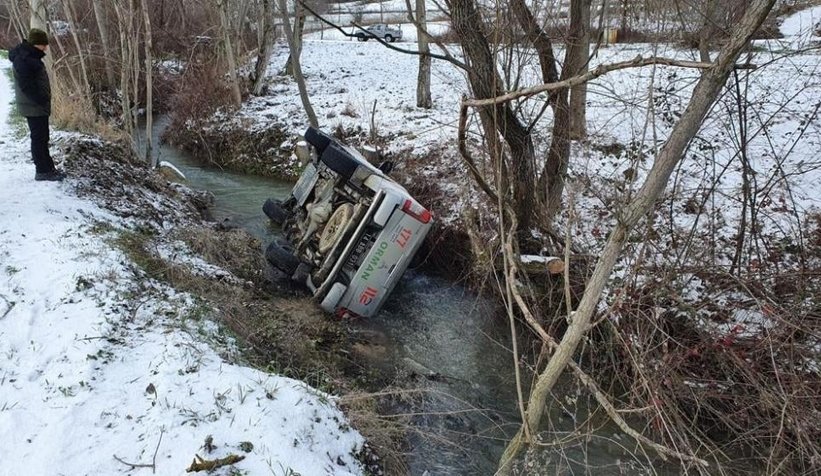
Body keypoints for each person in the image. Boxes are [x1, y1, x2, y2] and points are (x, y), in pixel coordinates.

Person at [8, 28, 64, 181]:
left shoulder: (28, 56)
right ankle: (42, 171)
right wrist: (41, 99)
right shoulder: (24, 59)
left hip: (36, 105)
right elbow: (27, 85)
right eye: (43, 44)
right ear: (36, 44)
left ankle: (48, 168)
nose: (45, 48)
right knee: (39, 138)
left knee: (43, 137)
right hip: (33, 106)